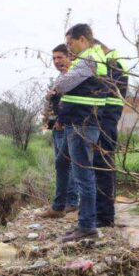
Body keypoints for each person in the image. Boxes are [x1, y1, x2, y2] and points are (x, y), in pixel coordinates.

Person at [49, 23, 108, 243]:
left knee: (84, 177)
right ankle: (83, 221)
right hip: (80, 123)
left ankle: (87, 227)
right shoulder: (92, 56)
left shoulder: (89, 58)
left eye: (70, 43)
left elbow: (62, 84)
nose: (69, 48)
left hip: (82, 124)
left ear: (82, 39)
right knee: (75, 170)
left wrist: (61, 82)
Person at [39, 44, 79, 218]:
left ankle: (67, 203)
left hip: (67, 125)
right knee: (62, 164)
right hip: (57, 124)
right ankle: (65, 203)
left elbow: (69, 103)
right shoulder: (61, 77)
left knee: (65, 164)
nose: (56, 61)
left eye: (60, 57)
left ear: (69, 57)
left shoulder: (73, 77)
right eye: (54, 58)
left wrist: (61, 120)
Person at [95, 42, 130, 227]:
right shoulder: (114, 61)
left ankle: (104, 216)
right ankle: (103, 213)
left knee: (103, 166)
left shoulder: (112, 64)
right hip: (107, 119)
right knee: (104, 165)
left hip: (105, 120)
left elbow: (102, 93)